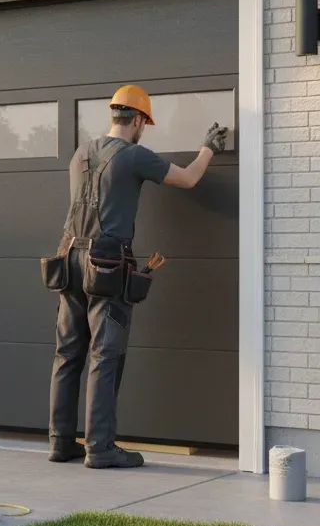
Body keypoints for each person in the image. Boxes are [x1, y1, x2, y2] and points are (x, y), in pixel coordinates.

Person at [44, 85, 228, 468]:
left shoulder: (81, 153)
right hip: (106, 263)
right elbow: (189, 178)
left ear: (114, 115)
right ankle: (100, 449)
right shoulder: (133, 156)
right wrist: (208, 147)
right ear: (139, 120)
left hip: (68, 258)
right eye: (146, 122)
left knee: (67, 354)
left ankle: (61, 443)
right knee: (105, 356)